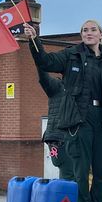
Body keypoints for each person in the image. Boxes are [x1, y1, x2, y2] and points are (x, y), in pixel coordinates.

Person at [22, 20, 102, 202]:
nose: (88, 33)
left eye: (93, 30)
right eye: (85, 30)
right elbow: (46, 62)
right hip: (79, 119)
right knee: (80, 171)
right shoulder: (71, 55)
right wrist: (34, 40)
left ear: (101, 35)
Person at [31, 37, 75, 181]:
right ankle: (65, 195)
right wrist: (36, 46)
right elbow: (43, 77)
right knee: (69, 173)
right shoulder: (57, 87)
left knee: (73, 173)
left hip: (71, 138)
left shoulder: (82, 87)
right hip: (58, 138)